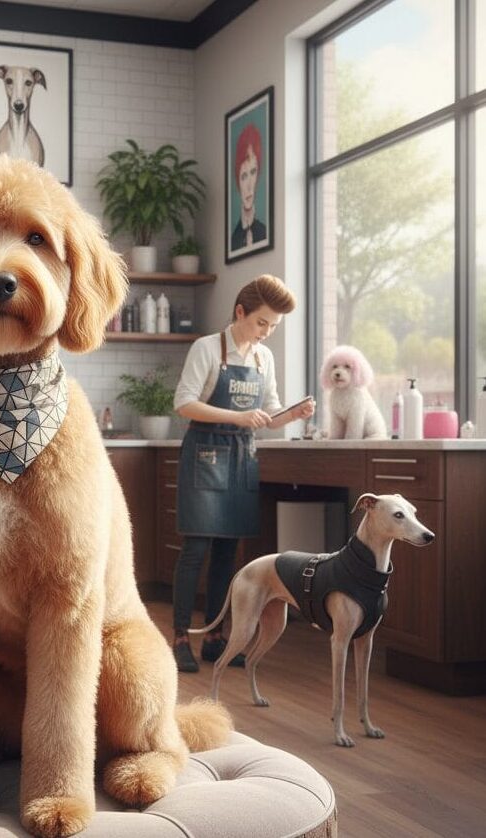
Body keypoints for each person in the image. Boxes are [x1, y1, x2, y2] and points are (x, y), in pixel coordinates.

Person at [171, 275, 315, 672]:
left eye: (273, 327)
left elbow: (268, 416)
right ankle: (181, 637)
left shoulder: (261, 359)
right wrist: (238, 416)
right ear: (240, 312)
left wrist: (293, 414)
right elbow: (183, 403)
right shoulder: (207, 348)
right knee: (196, 549)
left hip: (240, 458)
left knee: (225, 554)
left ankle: (216, 637)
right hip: (204, 455)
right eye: (262, 323)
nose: (267, 333)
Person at [230, 122, 266, 252]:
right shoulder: (234, 239)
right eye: (244, 176)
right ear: (237, 180)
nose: (250, 186)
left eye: (253, 172)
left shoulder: (264, 231)